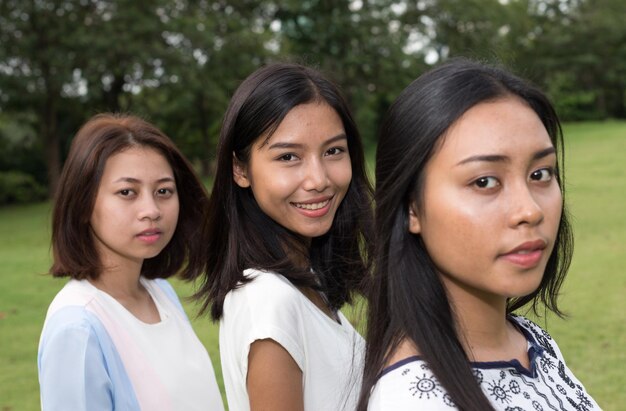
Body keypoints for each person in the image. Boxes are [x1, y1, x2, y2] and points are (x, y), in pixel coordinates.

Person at [357, 59, 601, 411]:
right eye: (484, 181)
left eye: (540, 174)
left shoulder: (528, 340)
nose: (529, 209)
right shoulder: (414, 401)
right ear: (412, 207)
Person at [185, 63, 373, 411]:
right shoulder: (269, 301)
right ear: (240, 169)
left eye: (333, 151)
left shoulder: (302, 279)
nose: (318, 179)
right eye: (288, 157)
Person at [38, 114, 224, 411]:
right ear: (84, 203)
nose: (151, 210)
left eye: (163, 191)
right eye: (127, 192)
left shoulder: (161, 292)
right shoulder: (77, 330)